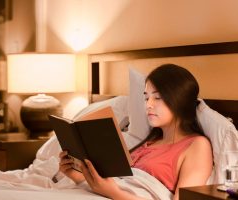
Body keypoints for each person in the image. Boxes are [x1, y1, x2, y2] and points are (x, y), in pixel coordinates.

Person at [59, 64, 213, 200]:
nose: (149, 105)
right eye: (146, 98)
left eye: (157, 98)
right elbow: (115, 185)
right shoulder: (147, 143)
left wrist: (114, 193)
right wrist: (78, 176)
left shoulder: (197, 145)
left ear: (180, 101)